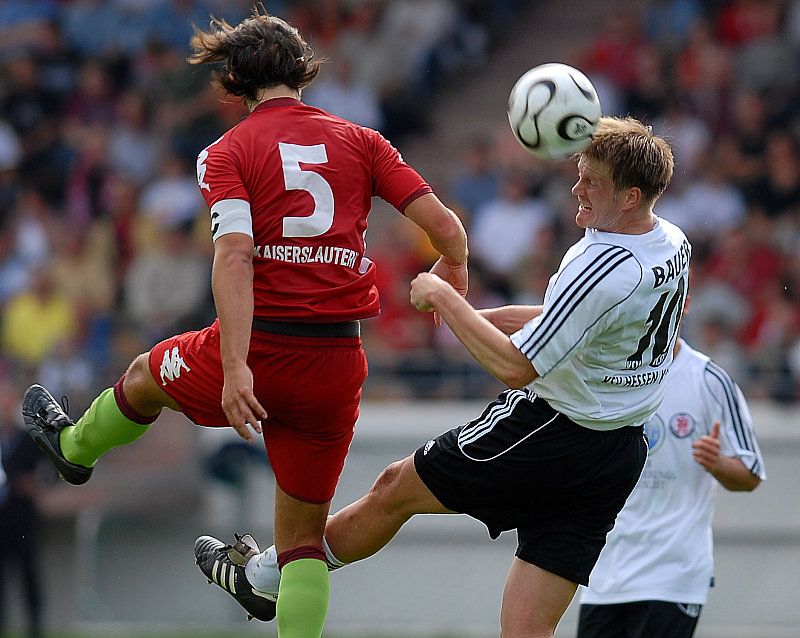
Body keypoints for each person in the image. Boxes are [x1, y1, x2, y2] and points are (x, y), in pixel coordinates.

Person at [21, 8, 468, 638]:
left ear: (233, 83)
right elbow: (447, 227)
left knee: (145, 374)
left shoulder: (227, 151)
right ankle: (273, 604)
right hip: (338, 363)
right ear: (302, 71)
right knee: (303, 544)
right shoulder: (363, 141)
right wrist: (455, 267)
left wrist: (234, 368)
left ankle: (72, 450)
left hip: (263, 348)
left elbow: (234, 254)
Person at [209, 116, 692, 638]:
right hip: (616, 455)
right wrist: (479, 317)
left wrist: (442, 297)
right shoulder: (669, 241)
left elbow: (515, 366)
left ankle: (262, 578)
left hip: (551, 432)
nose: (576, 189)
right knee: (526, 631)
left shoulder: (603, 260)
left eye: (591, 180)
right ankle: (263, 578)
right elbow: (574, 321)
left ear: (630, 195)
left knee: (395, 487)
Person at [576, 328, 766, 638]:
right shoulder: (601, 373)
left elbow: (750, 474)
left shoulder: (709, 379)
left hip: (672, 573)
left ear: (683, 302)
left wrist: (717, 463)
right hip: (604, 575)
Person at [1, 382, 46, 638]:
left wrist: (36, 485)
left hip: (22, 516)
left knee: (28, 571)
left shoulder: (28, 438)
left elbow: (47, 470)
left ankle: (34, 626)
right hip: (1, 515)